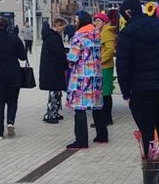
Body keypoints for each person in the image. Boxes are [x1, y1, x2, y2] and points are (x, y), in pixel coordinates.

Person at [116, 0, 159, 156]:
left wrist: (125, 92)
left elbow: (123, 67)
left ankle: (151, 167)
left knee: (146, 131)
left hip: (139, 90)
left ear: (128, 12)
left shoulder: (126, 34)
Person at [0, 16, 27, 139]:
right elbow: (23, 57)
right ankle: (10, 122)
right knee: (12, 101)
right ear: (8, 26)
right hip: (13, 75)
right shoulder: (14, 39)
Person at [65, 12, 104, 148]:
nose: (75, 22)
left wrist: (68, 59)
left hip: (82, 76)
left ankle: (81, 140)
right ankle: (102, 135)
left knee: (79, 108)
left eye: (76, 19)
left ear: (80, 20)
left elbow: (73, 57)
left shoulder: (79, 36)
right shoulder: (96, 34)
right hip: (97, 75)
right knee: (97, 105)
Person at [41, 18, 69, 124]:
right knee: (54, 91)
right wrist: (65, 64)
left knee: (56, 91)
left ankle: (54, 112)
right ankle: (51, 114)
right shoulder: (54, 38)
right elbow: (59, 53)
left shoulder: (50, 36)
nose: (63, 30)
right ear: (58, 26)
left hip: (50, 68)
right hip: (54, 69)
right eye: (62, 27)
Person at [95, 12, 117, 126]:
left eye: (99, 20)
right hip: (101, 67)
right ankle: (102, 118)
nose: (97, 22)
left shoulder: (107, 31)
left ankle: (107, 118)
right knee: (101, 93)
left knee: (106, 93)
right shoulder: (99, 32)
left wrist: (99, 61)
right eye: (95, 20)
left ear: (104, 22)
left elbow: (110, 50)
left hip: (105, 67)